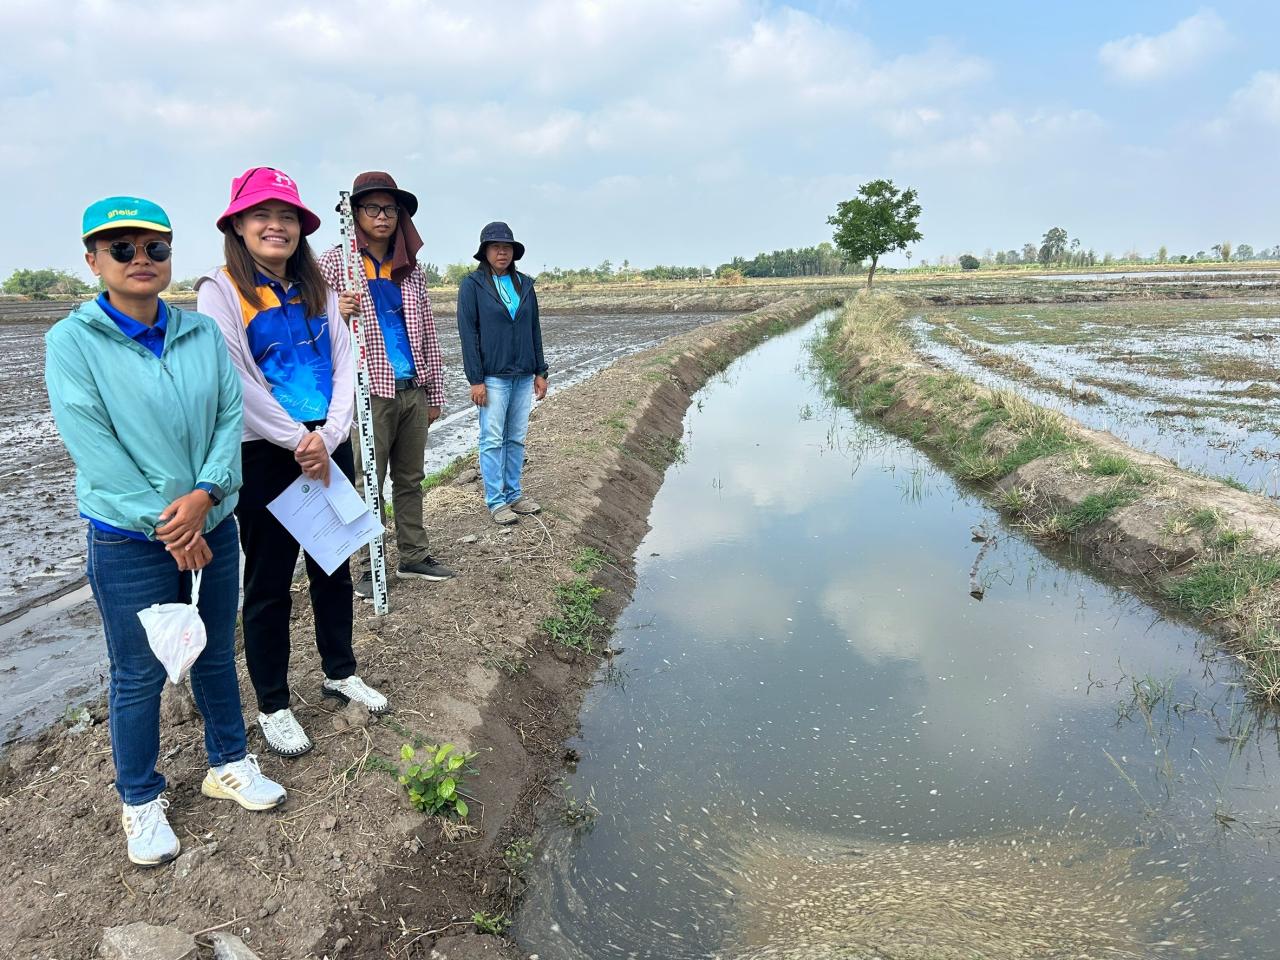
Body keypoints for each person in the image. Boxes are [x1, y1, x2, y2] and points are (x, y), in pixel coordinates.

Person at [45, 196, 286, 867]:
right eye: (121, 249)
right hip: (130, 542)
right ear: (94, 260)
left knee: (212, 649)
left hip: (214, 524)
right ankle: (141, 800)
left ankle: (229, 763)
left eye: (154, 247)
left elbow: (226, 419)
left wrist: (207, 493)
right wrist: (172, 525)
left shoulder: (200, 335)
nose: (141, 260)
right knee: (138, 673)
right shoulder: (71, 344)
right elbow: (95, 449)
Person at [195, 167, 389, 759]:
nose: (275, 226)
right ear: (238, 225)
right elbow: (233, 377)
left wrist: (328, 436)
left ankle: (340, 668)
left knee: (332, 563)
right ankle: (274, 703)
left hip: (326, 447)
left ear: (300, 230)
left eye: (286, 218)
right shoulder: (220, 290)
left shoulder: (318, 289)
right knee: (269, 583)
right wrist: (294, 439)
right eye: (262, 216)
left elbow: (342, 359)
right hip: (264, 455)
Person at [317, 172, 454, 598]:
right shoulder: (334, 264)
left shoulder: (410, 271)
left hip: (412, 387)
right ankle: (365, 566)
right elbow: (311, 328)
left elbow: (428, 332)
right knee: (364, 481)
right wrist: (333, 311)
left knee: (410, 477)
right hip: (368, 391)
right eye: (372, 208)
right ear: (355, 213)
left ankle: (414, 555)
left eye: (390, 209)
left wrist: (435, 393)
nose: (382, 216)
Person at [456, 222, 548, 525]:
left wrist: (540, 371)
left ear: (513, 252)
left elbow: (533, 329)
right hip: (493, 377)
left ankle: (514, 494)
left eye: (507, 247)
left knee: (517, 438)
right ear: (485, 251)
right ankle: (496, 501)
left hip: (523, 376)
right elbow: (468, 335)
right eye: (495, 247)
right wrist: (476, 379)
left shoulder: (525, 284)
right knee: (493, 438)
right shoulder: (473, 285)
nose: (502, 252)